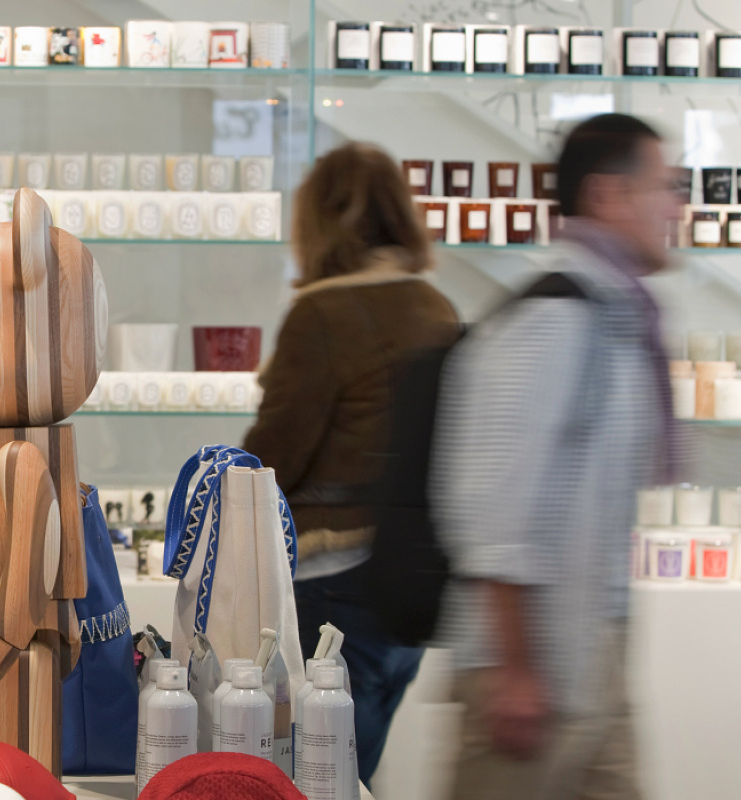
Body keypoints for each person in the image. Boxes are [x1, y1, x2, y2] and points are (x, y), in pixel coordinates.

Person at [433, 113, 681, 799]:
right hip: (528, 665)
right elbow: (494, 508)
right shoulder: (552, 320)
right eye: (666, 186)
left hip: (588, 649)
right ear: (609, 196)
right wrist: (517, 670)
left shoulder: (615, 315)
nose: (677, 206)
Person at [241, 142, 461, 782]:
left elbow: (275, 454)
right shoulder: (433, 306)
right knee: (354, 774)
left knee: (314, 778)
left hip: (332, 583)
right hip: (408, 582)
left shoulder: (323, 313)